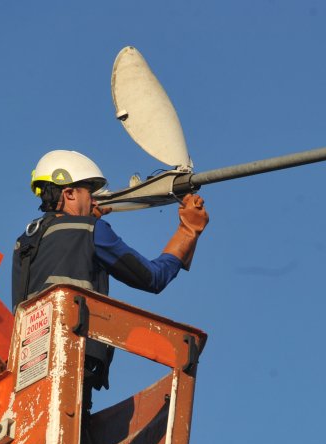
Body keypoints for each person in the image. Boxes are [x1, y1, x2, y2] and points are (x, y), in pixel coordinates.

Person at [11, 149, 209, 398]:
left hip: (28, 367)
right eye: (89, 193)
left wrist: (85, 220)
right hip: (75, 361)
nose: (94, 201)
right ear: (69, 193)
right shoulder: (91, 230)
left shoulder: (25, 242)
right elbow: (153, 277)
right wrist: (188, 231)